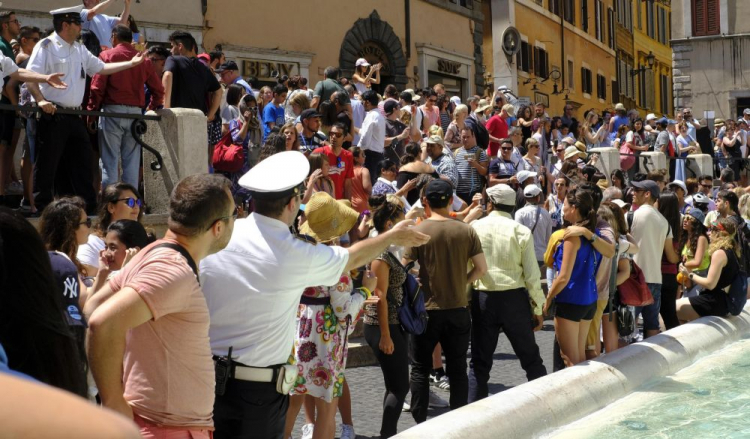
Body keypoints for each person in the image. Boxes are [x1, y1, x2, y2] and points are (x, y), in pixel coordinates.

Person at [199, 151, 429, 439]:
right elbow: (349, 261)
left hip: (207, 378)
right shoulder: (293, 250)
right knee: (321, 409)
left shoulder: (220, 236)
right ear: (294, 203)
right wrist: (391, 239)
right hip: (257, 386)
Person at [83, 174, 236, 438]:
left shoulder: (154, 253)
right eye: (235, 214)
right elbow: (100, 322)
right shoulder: (171, 269)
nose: (237, 219)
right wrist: (113, 402)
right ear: (218, 227)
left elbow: (92, 306)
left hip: (167, 425)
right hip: (166, 429)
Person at [25, 5, 146, 214]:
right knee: (47, 164)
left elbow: (101, 68)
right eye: (78, 23)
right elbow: (30, 77)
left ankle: (88, 207)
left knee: (82, 161)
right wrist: (40, 100)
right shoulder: (46, 46)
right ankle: (43, 207)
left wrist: (130, 63)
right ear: (65, 25)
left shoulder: (79, 48)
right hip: (53, 112)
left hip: (74, 113)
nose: (81, 27)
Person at [283, 193, 372, 439]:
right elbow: (343, 309)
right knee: (327, 405)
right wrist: (366, 290)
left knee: (292, 400)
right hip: (325, 335)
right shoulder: (334, 261)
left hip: (298, 329)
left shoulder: (295, 253)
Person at [403, 179, 487, 423]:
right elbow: (481, 268)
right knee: (458, 368)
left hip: (426, 310)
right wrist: (463, 282)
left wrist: (419, 278)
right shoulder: (466, 230)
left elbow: (405, 266)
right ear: (451, 200)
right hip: (458, 308)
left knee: (419, 368)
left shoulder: (420, 230)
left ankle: (420, 423)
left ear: (426, 201)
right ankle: (457, 422)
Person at [468, 184, 546, 402]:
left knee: (479, 364)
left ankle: (471, 419)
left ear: (490, 203)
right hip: (515, 299)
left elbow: (468, 268)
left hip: (483, 298)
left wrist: (467, 297)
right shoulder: (519, 231)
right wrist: (538, 307)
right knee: (531, 359)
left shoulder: (474, 227)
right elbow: (532, 276)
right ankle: (547, 405)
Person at [87, 24, 164, 189]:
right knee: (132, 162)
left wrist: (91, 114)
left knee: (109, 162)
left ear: (114, 36)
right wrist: (149, 109)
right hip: (135, 114)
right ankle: (130, 203)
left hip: (112, 112)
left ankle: (111, 204)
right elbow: (158, 91)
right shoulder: (144, 61)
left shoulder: (107, 55)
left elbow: (97, 89)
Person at [543, 189, 601, 367]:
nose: (562, 208)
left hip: (570, 300)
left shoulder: (571, 238)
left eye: (565, 205)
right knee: (579, 356)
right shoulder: (592, 234)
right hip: (589, 300)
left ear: (574, 208)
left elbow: (563, 277)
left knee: (569, 359)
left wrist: (548, 298)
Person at [162, 31, 222, 165]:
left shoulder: (173, 59)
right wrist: (210, 115)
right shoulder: (204, 68)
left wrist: (165, 107)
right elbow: (218, 91)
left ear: (180, 46)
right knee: (194, 162)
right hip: (197, 121)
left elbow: (167, 76)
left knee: (175, 161)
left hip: (176, 118)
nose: (171, 50)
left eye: (172, 46)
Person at [629, 180, 680, 339]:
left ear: (647, 194)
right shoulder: (665, 223)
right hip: (656, 280)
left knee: (627, 326)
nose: (632, 192)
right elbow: (671, 256)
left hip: (634, 279)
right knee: (652, 325)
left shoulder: (631, 215)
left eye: (637, 190)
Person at [677, 217, 741, 321]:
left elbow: (710, 284)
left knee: (673, 308)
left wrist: (689, 274)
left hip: (715, 301)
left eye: (712, 229)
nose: (709, 232)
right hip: (722, 301)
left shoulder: (719, 253)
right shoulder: (732, 250)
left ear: (721, 233)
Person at [77, 183, 142, 276]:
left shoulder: (143, 238)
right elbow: (85, 280)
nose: (136, 207)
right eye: (130, 202)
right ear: (111, 207)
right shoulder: (92, 244)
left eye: (138, 202)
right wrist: (124, 272)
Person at [657, 192, 683, 330]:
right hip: (670, 277)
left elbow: (671, 256)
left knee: (660, 316)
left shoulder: (661, 226)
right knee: (670, 316)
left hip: (659, 275)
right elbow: (673, 258)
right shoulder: (675, 225)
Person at [312, 123, 354, 200]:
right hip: (321, 201)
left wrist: (348, 204)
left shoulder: (348, 156)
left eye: (338, 135)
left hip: (338, 202)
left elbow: (347, 183)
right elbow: (310, 178)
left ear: (344, 138)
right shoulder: (319, 152)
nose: (333, 137)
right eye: (331, 134)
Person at [680, 208, 710, 298]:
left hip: (700, 277)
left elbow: (697, 262)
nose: (685, 220)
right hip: (687, 277)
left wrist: (683, 264)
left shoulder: (701, 238)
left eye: (689, 219)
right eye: (684, 218)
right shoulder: (686, 237)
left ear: (696, 223)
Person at [358, 90, 387, 185]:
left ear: (367, 102)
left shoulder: (371, 116)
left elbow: (365, 138)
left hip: (370, 156)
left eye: (363, 101)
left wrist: (359, 150)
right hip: (378, 155)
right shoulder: (379, 115)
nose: (362, 104)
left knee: (368, 184)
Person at [454, 127, 489, 204]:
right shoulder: (457, 152)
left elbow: (485, 172)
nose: (465, 139)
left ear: (473, 137)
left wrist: (476, 165)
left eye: (468, 137)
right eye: (463, 137)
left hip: (473, 192)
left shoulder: (479, 152)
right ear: (460, 136)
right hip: (458, 192)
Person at [350, 147, 372, 213]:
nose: (365, 157)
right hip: (362, 203)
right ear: (356, 158)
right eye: (362, 155)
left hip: (349, 202)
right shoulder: (364, 170)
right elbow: (367, 188)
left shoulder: (346, 171)